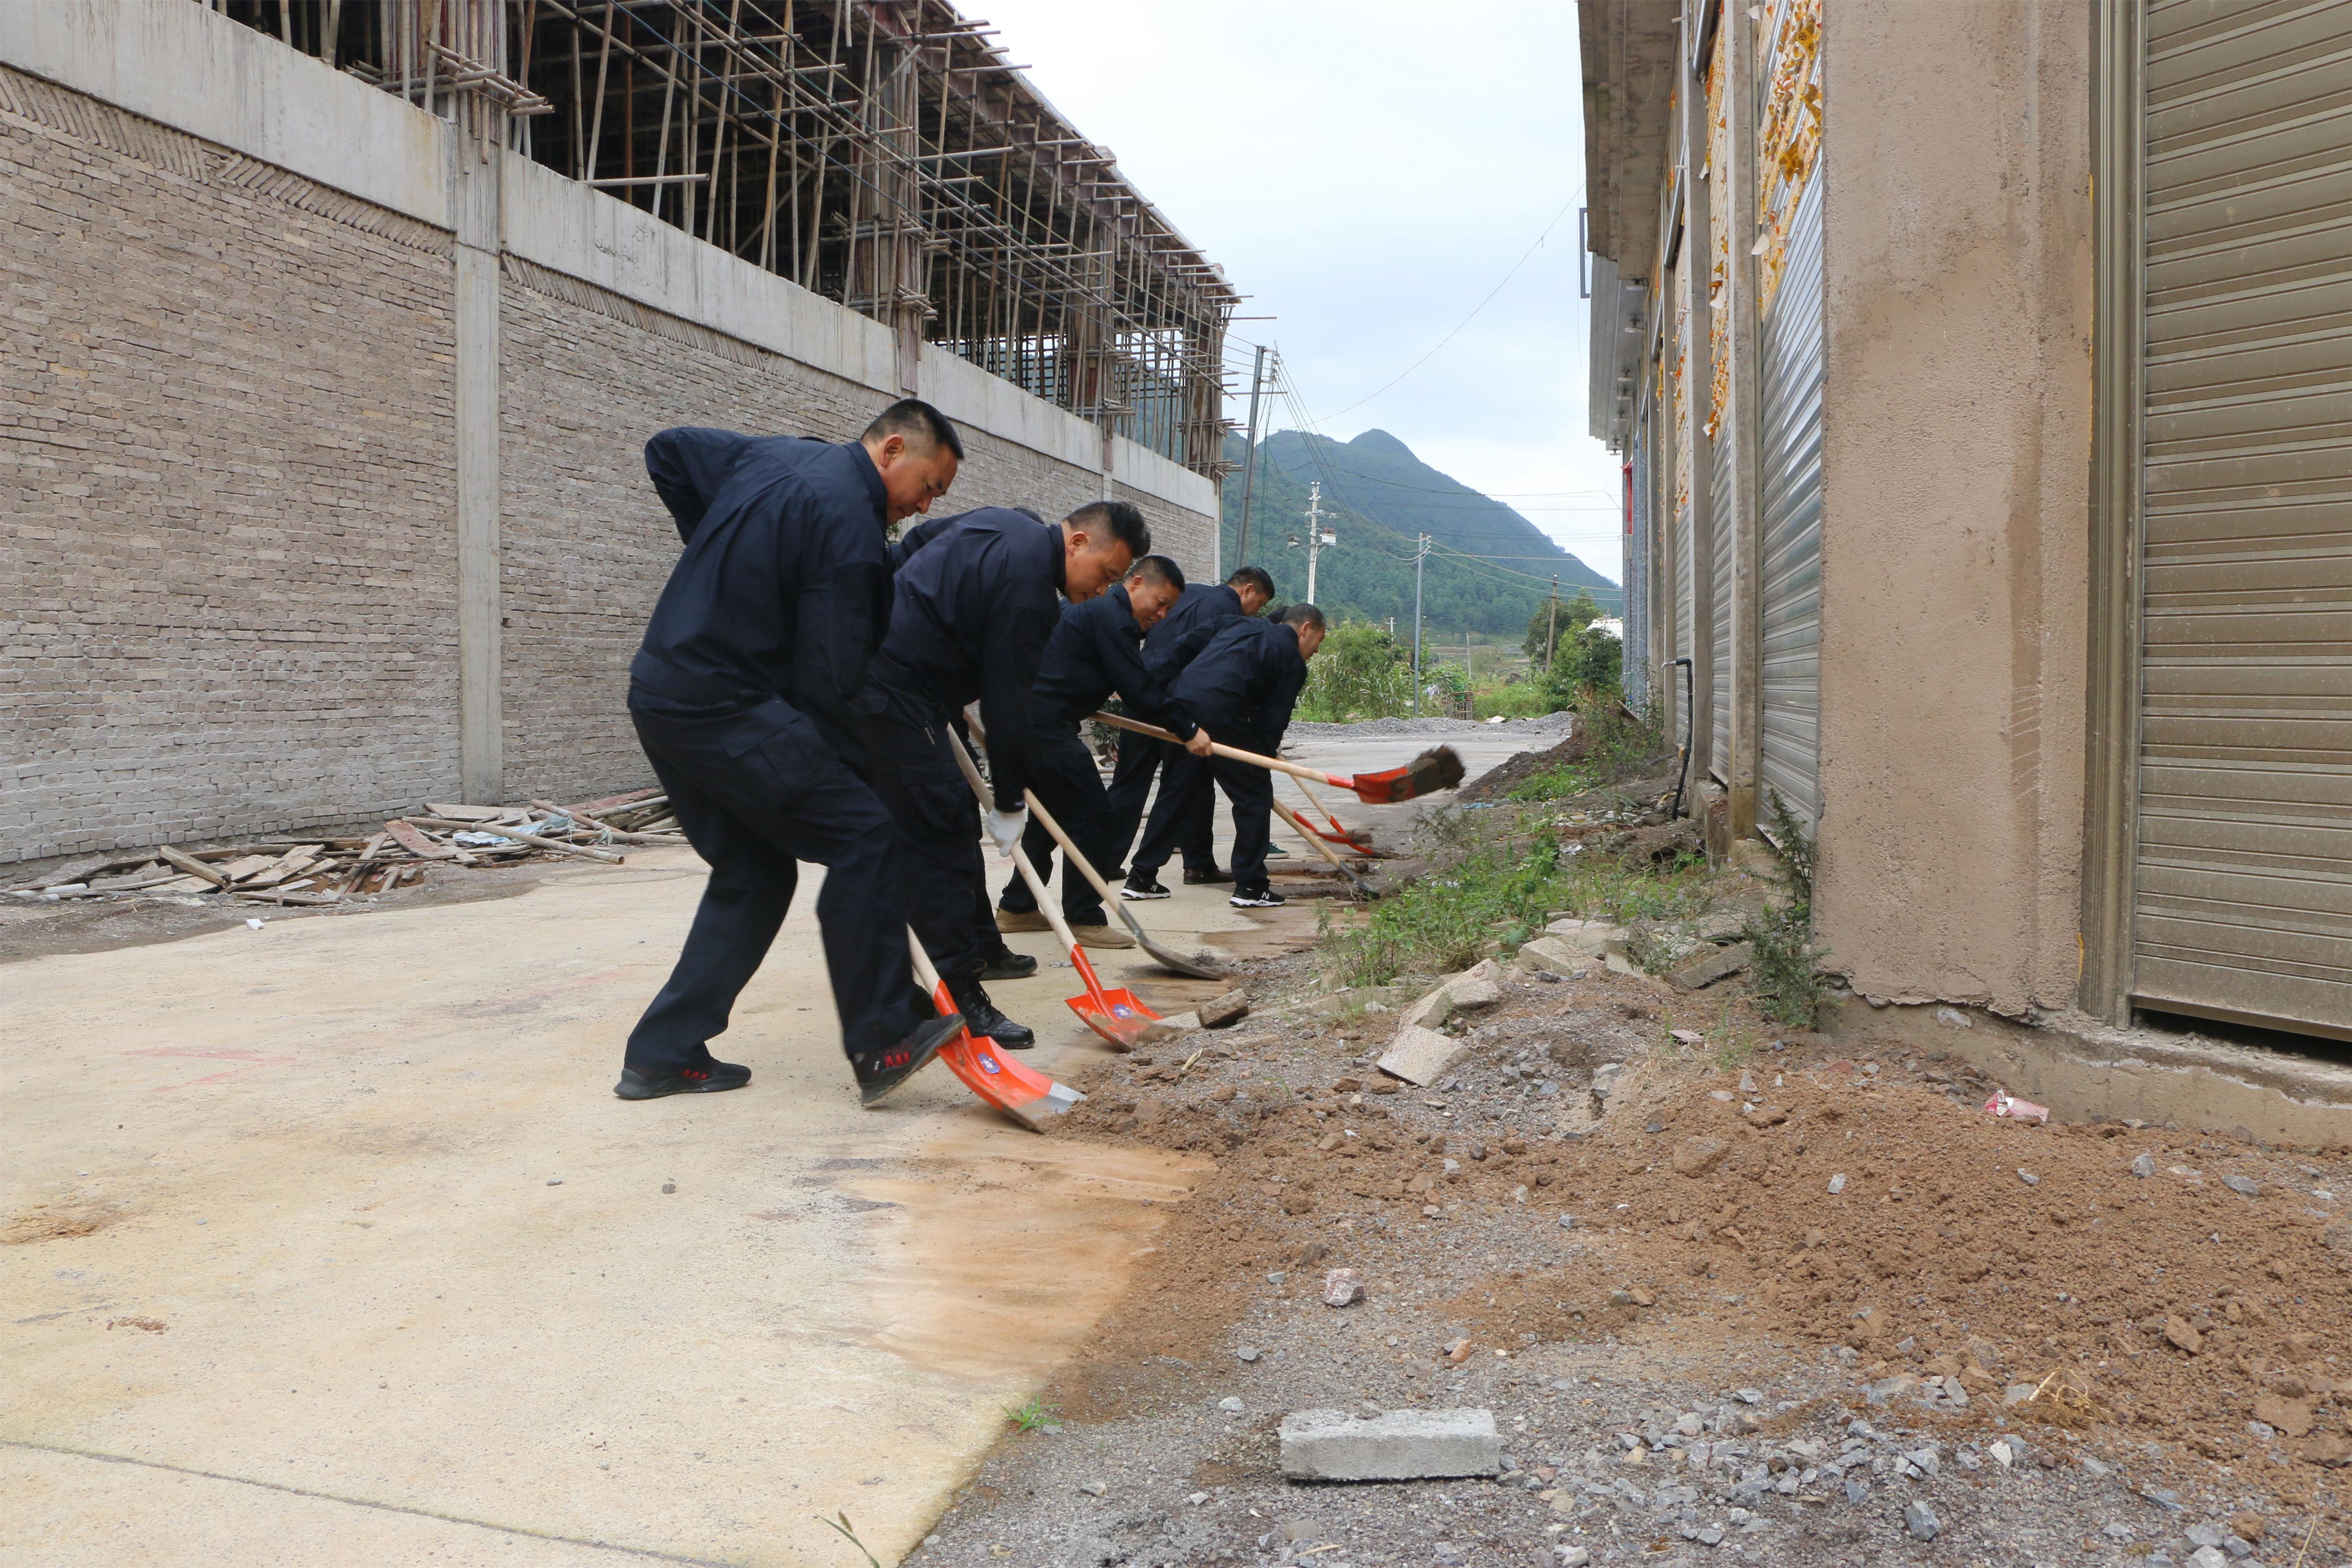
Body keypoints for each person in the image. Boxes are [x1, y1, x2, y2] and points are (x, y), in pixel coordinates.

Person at [618, 399, 968, 1106]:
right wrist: (861, 775)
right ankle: (883, 1039)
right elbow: (831, 682)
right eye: (929, 486)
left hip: (663, 693)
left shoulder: (778, 454)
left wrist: (715, 554)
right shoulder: (850, 531)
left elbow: (670, 446)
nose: (924, 505)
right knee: (865, 836)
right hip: (726, 707)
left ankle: (662, 1054)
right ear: (893, 449)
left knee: (754, 871)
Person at [857, 499, 1150, 1049]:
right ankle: (960, 997)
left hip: (894, 684)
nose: (1103, 590)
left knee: (940, 825)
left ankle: (954, 966)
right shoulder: (1031, 595)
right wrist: (1012, 800)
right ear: (1079, 542)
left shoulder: (999, 520)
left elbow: (913, 548)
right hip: (895, 696)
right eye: (1107, 575)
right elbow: (1010, 704)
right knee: (941, 834)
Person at [994, 553, 1213, 945]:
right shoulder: (1110, 618)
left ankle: (1018, 907)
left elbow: (1127, 676)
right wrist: (1188, 729)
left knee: (1050, 821)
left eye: (1169, 609)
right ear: (1136, 584)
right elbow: (1138, 687)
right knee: (1095, 818)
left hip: (1027, 721)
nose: (1161, 615)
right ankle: (1085, 917)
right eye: (1160, 603)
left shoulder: (1093, 615)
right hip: (1044, 727)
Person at [1143, 603, 1325, 909]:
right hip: (1222, 712)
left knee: (1177, 789)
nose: (1316, 651)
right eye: (1318, 641)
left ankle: (1141, 878)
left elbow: (1182, 648)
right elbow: (1273, 720)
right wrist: (1263, 760)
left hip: (1181, 706)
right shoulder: (1292, 660)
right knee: (1254, 797)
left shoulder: (1234, 623)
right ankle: (1252, 887)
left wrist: (1150, 688)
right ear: (1305, 628)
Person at [1109, 565, 1274, 898]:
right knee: (1187, 782)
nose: (1255, 614)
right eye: (1259, 605)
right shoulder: (1229, 614)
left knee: (1129, 781)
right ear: (1249, 591)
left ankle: (1104, 859)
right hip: (1179, 704)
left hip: (1142, 692)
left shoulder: (1187, 593)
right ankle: (1192, 865)